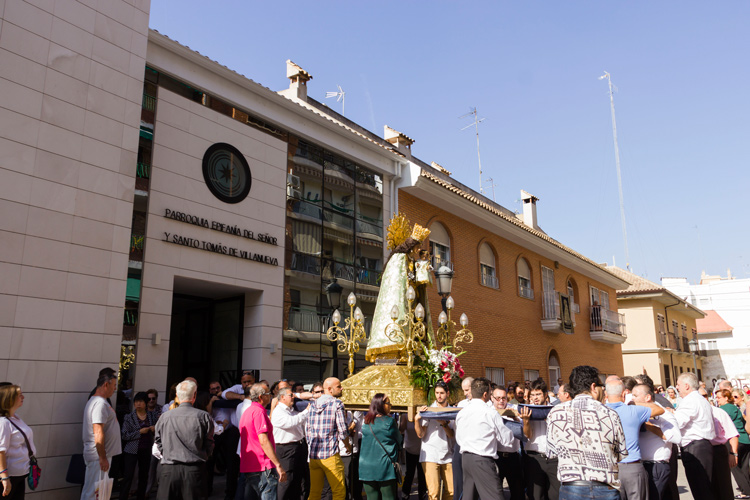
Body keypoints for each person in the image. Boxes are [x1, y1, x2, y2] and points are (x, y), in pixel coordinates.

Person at [546, 365, 626, 500]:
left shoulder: (555, 412)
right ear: (593, 387)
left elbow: (551, 452)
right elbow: (621, 453)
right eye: (602, 386)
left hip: (572, 487)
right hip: (605, 487)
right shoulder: (610, 414)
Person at [604, 376, 664, 500]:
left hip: (609, 469)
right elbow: (659, 410)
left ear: (606, 394)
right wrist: (633, 402)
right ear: (624, 393)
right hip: (632, 467)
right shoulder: (633, 411)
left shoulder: (599, 412)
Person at [455, 377, 514, 500]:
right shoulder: (490, 413)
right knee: (495, 497)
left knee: (469, 496)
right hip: (482, 459)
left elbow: (459, 438)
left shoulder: (462, 412)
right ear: (486, 394)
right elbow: (506, 439)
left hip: (465, 458)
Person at [155, 379, 214, 499]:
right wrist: (203, 454)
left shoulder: (164, 417)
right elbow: (209, 443)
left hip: (169, 470)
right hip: (194, 470)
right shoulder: (203, 416)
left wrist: (167, 453)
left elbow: (158, 441)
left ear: (177, 396)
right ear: (195, 396)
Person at [629, 384, 680, 500]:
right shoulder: (636, 414)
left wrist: (650, 426)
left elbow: (677, 438)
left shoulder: (664, 415)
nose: (632, 399)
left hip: (656, 466)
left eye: (635, 396)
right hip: (641, 466)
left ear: (647, 398)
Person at [239, 383, 287, 500]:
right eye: (268, 394)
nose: (270, 396)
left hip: (250, 466)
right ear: (261, 397)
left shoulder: (247, 411)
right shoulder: (258, 412)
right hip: (262, 466)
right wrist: (278, 464)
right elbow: (263, 440)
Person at [306, 377, 351, 500]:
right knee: (339, 491)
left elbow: (308, 430)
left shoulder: (313, 405)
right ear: (330, 389)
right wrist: (347, 445)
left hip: (314, 455)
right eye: (338, 386)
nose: (341, 388)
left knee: (314, 492)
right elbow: (342, 429)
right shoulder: (337, 404)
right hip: (330, 453)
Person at [673, 372, 716, 500]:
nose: (677, 387)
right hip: (700, 446)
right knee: (703, 487)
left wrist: (667, 416)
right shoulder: (698, 399)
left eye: (678, 384)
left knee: (701, 488)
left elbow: (678, 422)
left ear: (686, 386)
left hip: (695, 446)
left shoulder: (690, 400)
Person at [82, 367, 121, 500]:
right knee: (94, 493)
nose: (115, 389)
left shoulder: (99, 402)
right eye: (114, 385)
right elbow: (98, 432)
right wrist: (102, 457)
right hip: (98, 456)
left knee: (97, 493)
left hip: (99, 455)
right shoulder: (99, 403)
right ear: (106, 384)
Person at [415, 381, 455, 500]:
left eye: (442, 393)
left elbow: (451, 435)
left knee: (451, 492)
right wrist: (417, 420)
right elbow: (421, 434)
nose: (439, 396)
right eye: (437, 393)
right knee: (433, 493)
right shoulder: (429, 409)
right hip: (430, 454)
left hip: (448, 454)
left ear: (447, 393)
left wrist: (444, 424)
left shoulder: (452, 410)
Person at [520, 377, 559, 500]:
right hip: (535, 458)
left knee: (556, 494)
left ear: (545, 394)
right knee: (536, 495)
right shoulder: (528, 410)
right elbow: (528, 435)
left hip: (554, 459)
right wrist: (526, 421)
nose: (535, 398)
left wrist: (550, 422)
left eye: (538, 394)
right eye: (533, 395)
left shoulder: (555, 410)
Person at [359, 394, 402, 500]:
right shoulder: (389, 421)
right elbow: (399, 440)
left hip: (366, 467)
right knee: (388, 497)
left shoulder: (366, 421)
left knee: (371, 497)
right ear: (381, 405)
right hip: (385, 467)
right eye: (388, 403)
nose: (390, 406)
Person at [272, 387, 309, 500]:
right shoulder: (278, 411)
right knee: (286, 480)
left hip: (298, 446)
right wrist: (307, 411)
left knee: (298, 478)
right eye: (290, 395)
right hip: (286, 448)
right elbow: (290, 423)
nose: (293, 397)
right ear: (282, 397)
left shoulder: (292, 410)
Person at [0, 384, 36, 500]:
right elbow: (1, 451)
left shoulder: (16, 418)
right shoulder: (3, 423)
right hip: (10, 477)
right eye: (19, 395)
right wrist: (5, 478)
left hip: (20, 474)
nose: (23, 397)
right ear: (9, 398)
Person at [704, 388, 741, 500]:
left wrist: (733, 453)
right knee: (705, 486)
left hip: (717, 450)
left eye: (704, 395)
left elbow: (732, 434)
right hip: (700, 451)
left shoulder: (719, 412)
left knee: (723, 486)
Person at [120, 392, 157, 500]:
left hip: (146, 449)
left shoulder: (152, 415)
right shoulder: (129, 417)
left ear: (146, 403)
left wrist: (154, 430)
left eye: (141, 401)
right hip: (131, 450)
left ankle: (141, 497)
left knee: (144, 476)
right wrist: (139, 432)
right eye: (136, 402)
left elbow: (157, 433)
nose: (138, 404)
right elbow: (125, 435)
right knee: (128, 476)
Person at [716, 389, 750, 498]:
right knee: (744, 466)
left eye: (719, 397)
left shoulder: (722, 410)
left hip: (734, 439)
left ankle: (745, 491)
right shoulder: (735, 408)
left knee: (734, 466)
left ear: (726, 398)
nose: (717, 400)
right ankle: (747, 488)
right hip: (745, 439)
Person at [491, 386, 523, 500]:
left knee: (517, 492)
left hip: (513, 456)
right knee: (495, 492)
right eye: (498, 398)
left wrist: (516, 419)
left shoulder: (514, 409)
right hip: (496, 456)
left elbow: (524, 428)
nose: (501, 401)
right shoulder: (489, 412)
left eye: (503, 398)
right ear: (492, 398)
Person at [453, 377, 473, 500]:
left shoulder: (485, 404)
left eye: (467, 390)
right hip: (460, 445)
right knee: (458, 481)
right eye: (463, 390)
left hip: (474, 447)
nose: (465, 393)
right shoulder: (461, 404)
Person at [399, 413, 428, 500]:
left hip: (423, 451)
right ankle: (405, 496)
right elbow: (401, 430)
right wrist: (404, 419)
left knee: (422, 476)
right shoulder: (406, 415)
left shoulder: (424, 415)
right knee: (409, 475)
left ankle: (422, 497)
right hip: (410, 450)